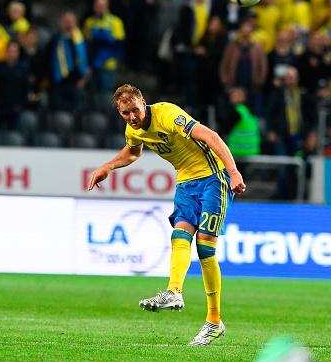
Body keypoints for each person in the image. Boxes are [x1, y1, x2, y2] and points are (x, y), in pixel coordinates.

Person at [88, 84, 246, 346]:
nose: (132, 117)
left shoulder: (168, 114)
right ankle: (174, 292)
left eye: (135, 110)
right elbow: (133, 151)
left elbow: (211, 137)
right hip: (185, 183)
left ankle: (213, 321)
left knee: (205, 246)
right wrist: (108, 166)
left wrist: (233, 172)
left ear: (143, 102)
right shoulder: (133, 129)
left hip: (212, 178)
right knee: (179, 235)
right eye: (125, 113)